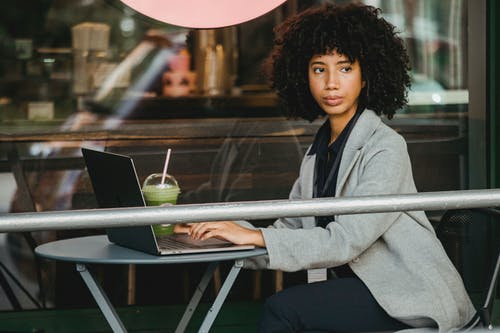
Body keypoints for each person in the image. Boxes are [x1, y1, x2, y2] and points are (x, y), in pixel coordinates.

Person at [175, 3, 476, 332]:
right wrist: (217, 234)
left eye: (345, 69)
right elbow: (290, 231)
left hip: (406, 294)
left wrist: (252, 236)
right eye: (319, 69)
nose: (331, 83)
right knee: (292, 306)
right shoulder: (318, 153)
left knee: (283, 309)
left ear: (365, 77)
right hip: (360, 287)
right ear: (304, 76)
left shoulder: (385, 148)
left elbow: (347, 240)